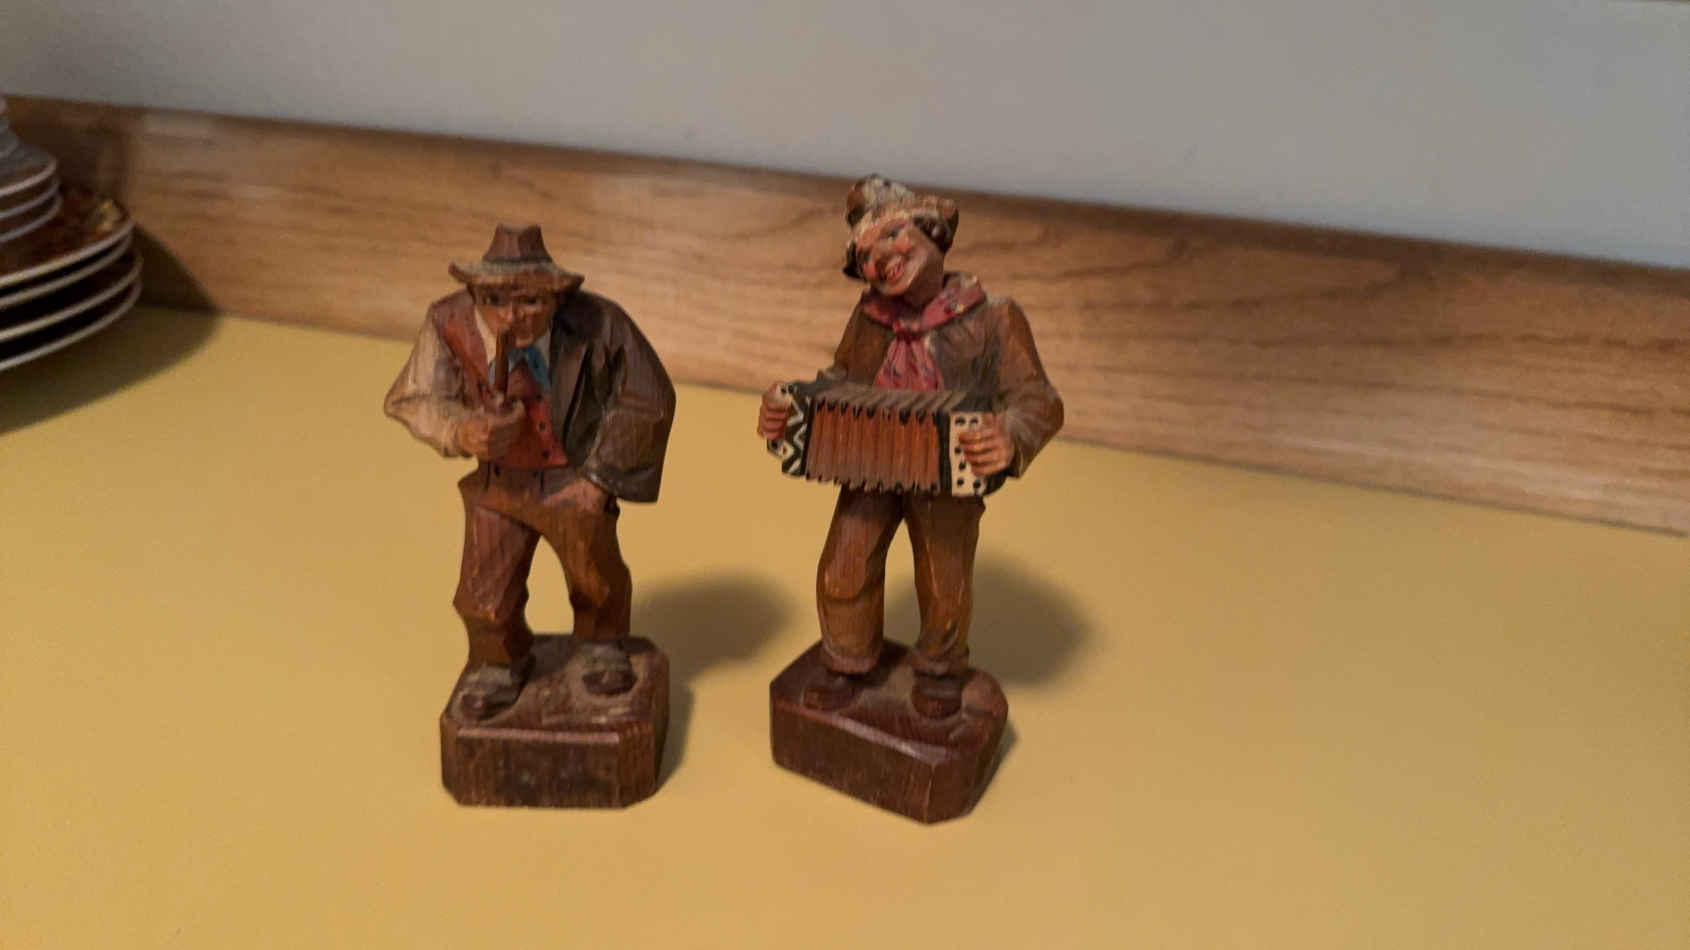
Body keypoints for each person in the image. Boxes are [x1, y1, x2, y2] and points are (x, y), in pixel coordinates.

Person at [757, 176, 1063, 719]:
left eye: (891, 235)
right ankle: (847, 659)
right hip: (872, 468)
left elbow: (1038, 399)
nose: (879, 260)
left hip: (948, 475)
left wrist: (1010, 436)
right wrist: (793, 407)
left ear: (932, 232)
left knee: (945, 578)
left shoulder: (994, 317)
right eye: (864, 255)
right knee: (844, 563)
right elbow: (841, 380)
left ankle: (941, 670)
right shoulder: (869, 318)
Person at [386, 224, 675, 719]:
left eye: (530, 302)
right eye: (493, 300)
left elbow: (647, 398)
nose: (510, 316)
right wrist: (460, 429)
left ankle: (602, 645)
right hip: (499, 482)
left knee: (595, 573)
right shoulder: (448, 323)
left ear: (557, 298)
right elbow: (412, 398)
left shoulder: (600, 325)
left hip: (573, 477)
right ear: (473, 294)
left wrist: (599, 478)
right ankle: (497, 663)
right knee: (484, 585)